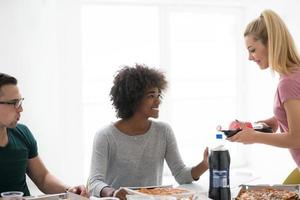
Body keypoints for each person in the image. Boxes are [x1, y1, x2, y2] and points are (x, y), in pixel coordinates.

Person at [88, 64, 209, 200]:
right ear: (133, 98)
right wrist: (113, 193)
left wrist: (205, 165)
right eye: (151, 96)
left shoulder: (164, 131)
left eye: (158, 95)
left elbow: (181, 175)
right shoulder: (105, 135)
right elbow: (94, 183)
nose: (158, 101)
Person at [227, 9, 300, 182]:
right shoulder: (294, 73)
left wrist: (255, 137)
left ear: (271, 44)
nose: (249, 58)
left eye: (252, 50)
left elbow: (297, 138)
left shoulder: (288, 83)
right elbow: (293, 117)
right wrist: (264, 125)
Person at [0, 73, 88, 196]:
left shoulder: (23, 133)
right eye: (14, 103)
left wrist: (69, 191)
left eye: (20, 102)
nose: (20, 109)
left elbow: (43, 178)